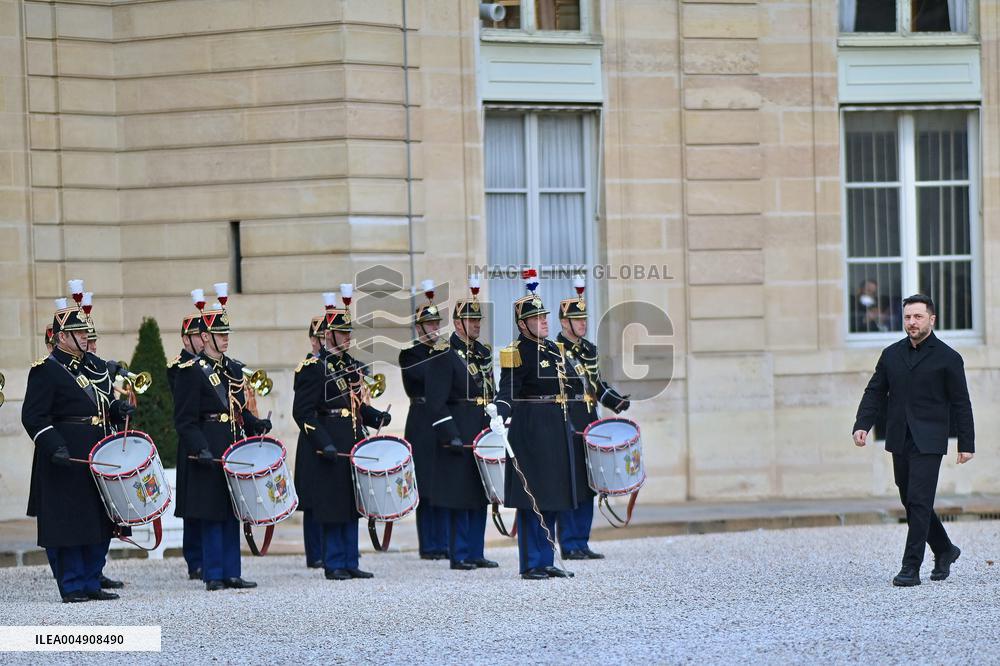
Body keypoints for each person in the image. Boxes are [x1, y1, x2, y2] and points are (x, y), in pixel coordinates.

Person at [852, 294, 974, 587]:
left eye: (918, 317)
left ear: (931, 319)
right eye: (907, 317)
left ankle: (910, 567)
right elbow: (875, 392)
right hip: (899, 437)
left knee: (920, 500)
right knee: (910, 500)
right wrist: (862, 424)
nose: (912, 322)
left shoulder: (949, 358)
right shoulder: (891, 354)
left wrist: (966, 443)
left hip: (930, 439)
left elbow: (961, 403)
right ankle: (945, 549)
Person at [21, 298, 134, 602]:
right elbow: (33, 416)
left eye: (85, 332)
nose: (85, 337)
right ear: (61, 337)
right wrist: (53, 445)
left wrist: (116, 408)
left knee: (98, 519)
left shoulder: (93, 366)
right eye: (78, 333)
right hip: (66, 456)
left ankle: (91, 581)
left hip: (96, 453)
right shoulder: (46, 370)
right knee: (69, 522)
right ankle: (71, 585)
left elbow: (98, 405)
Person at [291, 285, 390, 581]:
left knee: (351, 503)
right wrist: (322, 442)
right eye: (343, 332)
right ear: (328, 335)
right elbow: (303, 412)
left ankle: (350, 559)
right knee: (333, 504)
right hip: (328, 443)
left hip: (351, 441)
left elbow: (357, 405)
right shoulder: (313, 368)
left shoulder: (351, 366)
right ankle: (333, 561)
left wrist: (377, 417)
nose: (348, 337)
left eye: (349, 332)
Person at [173, 295, 272, 591]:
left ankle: (232, 571)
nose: (225, 339)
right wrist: (198, 447)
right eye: (220, 334)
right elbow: (184, 419)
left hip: (232, 445)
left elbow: (239, 409)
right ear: (205, 337)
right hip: (208, 446)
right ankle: (213, 573)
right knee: (212, 512)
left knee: (232, 510)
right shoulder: (190, 371)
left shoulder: (234, 369)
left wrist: (256, 425)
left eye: (227, 334)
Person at [492, 273, 580, 580]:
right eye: (536, 318)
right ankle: (531, 562)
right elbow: (508, 390)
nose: (543, 321)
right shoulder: (517, 351)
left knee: (553, 495)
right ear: (522, 324)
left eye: (543, 316)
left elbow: (572, 382)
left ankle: (547, 558)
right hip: (531, 428)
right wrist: (499, 412)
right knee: (534, 498)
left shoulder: (554, 349)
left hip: (556, 425)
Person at [425, 281, 499, 570]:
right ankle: (459, 553)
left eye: (478, 320)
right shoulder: (444, 354)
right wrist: (450, 434)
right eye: (471, 320)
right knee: (459, 494)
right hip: (458, 431)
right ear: (457, 323)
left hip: (481, 430)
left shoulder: (482, 352)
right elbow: (436, 402)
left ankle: (477, 550)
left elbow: (489, 391)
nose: (477, 325)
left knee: (480, 492)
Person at [555, 281, 630, 560]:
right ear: (564, 323)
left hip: (589, 421)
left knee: (588, 483)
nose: (582, 324)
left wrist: (616, 402)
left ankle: (582, 541)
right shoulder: (554, 351)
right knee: (570, 483)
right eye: (576, 320)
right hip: (567, 421)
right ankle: (569, 543)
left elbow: (597, 385)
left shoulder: (589, 349)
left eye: (584, 319)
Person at [398, 287, 451, 561]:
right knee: (425, 484)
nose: (434, 328)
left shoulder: (445, 351)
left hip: (442, 416)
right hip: (421, 420)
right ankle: (430, 545)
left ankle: (444, 541)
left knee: (444, 480)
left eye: (436, 323)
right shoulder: (410, 354)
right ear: (419, 328)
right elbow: (425, 378)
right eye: (429, 324)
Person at [166, 308, 205, 580]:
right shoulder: (178, 367)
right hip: (192, 440)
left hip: (214, 437)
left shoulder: (212, 365)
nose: (203, 341)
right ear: (185, 339)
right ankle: (195, 560)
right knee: (194, 504)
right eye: (196, 336)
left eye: (204, 336)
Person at [292, 314, 327, 570]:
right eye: (321, 337)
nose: (324, 341)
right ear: (313, 340)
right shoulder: (308, 367)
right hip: (313, 437)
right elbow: (302, 409)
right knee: (315, 499)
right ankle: (315, 553)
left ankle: (334, 549)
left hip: (335, 434)